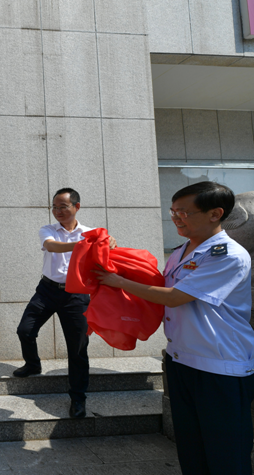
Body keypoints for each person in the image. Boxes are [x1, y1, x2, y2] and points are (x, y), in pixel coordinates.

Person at [95, 181, 254, 475]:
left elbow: (177, 297)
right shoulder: (182, 251)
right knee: (192, 451)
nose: (177, 217)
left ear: (215, 214)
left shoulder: (227, 255)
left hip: (219, 367)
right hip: (181, 361)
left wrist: (118, 281)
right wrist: (114, 255)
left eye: (184, 212)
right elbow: (157, 285)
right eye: (173, 211)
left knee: (226, 455)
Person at [14, 188, 116, 419]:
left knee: (78, 349)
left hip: (77, 296)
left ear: (76, 207)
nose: (58, 211)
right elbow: (52, 246)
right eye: (55, 207)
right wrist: (84, 245)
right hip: (48, 290)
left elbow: (107, 253)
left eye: (63, 206)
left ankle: (78, 398)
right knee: (25, 330)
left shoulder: (90, 232)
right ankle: (33, 364)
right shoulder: (48, 230)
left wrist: (110, 244)